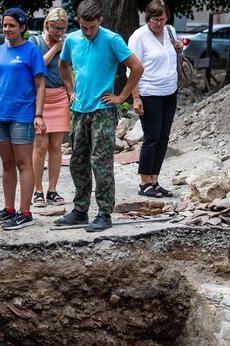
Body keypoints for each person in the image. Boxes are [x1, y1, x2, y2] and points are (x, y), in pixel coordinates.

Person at [55, 0, 143, 232]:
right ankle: (80, 210)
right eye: (84, 27)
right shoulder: (73, 39)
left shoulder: (112, 39)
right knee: (77, 161)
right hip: (79, 109)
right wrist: (70, 89)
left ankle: (104, 213)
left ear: (100, 21)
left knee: (101, 162)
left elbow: (136, 67)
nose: (88, 32)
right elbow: (63, 65)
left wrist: (122, 96)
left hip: (103, 110)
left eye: (92, 27)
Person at [0, 7, 47, 231]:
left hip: (23, 114)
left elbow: (40, 85)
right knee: (7, 164)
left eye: (12, 25)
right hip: (1, 114)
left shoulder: (31, 51)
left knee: (23, 163)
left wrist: (38, 115)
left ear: (22, 28)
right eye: (5, 25)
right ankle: (8, 210)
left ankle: (25, 212)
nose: (7, 29)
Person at [128, 0, 181, 199]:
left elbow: (172, 56)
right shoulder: (139, 37)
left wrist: (177, 47)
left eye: (163, 18)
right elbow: (132, 69)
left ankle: (155, 180)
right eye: (155, 20)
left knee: (164, 137)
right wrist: (136, 97)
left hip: (170, 91)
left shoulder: (170, 31)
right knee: (152, 137)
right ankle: (144, 182)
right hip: (149, 92)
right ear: (147, 19)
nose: (159, 23)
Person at [28, 7, 73, 208]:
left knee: (56, 147)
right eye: (56, 28)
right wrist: (55, 48)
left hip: (60, 97)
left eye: (63, 29)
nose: (60, 33)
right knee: (40, 146)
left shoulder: (66, 42)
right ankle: (37, 190)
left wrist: (72, 90)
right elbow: (37, 66)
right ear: (48, 24)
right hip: (40, 98)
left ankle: (52, 189)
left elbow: (67, 68)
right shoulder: (35, 42)